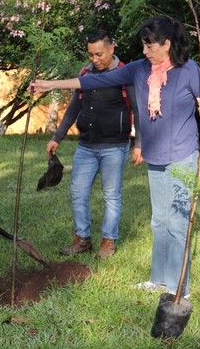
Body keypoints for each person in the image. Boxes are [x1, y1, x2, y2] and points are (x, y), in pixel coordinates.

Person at [29, 17, 200, 298]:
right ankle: (159, 280)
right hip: (156, 155)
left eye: (149, 46)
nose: (144, 52)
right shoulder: (139, 70)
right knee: (159, 220)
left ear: (167, 45)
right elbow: (94, 80)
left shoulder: (189, 70)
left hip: (182, 154)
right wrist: (50, 84)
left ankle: (180, 286)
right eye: (143, 46)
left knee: (177, 222)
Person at [48, 29, 141, 259]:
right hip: (86, 145)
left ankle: (108, 242)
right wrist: (57, 137)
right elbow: (74, 108)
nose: (95, 60)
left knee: (111, 195)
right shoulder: (85, 73)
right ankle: (82, 239)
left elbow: (137, 109)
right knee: (78, 192)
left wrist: (139, 143)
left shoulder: (124, 73)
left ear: (112, 48)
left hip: (115, 146)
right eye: (91, 55)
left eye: (99, 54)